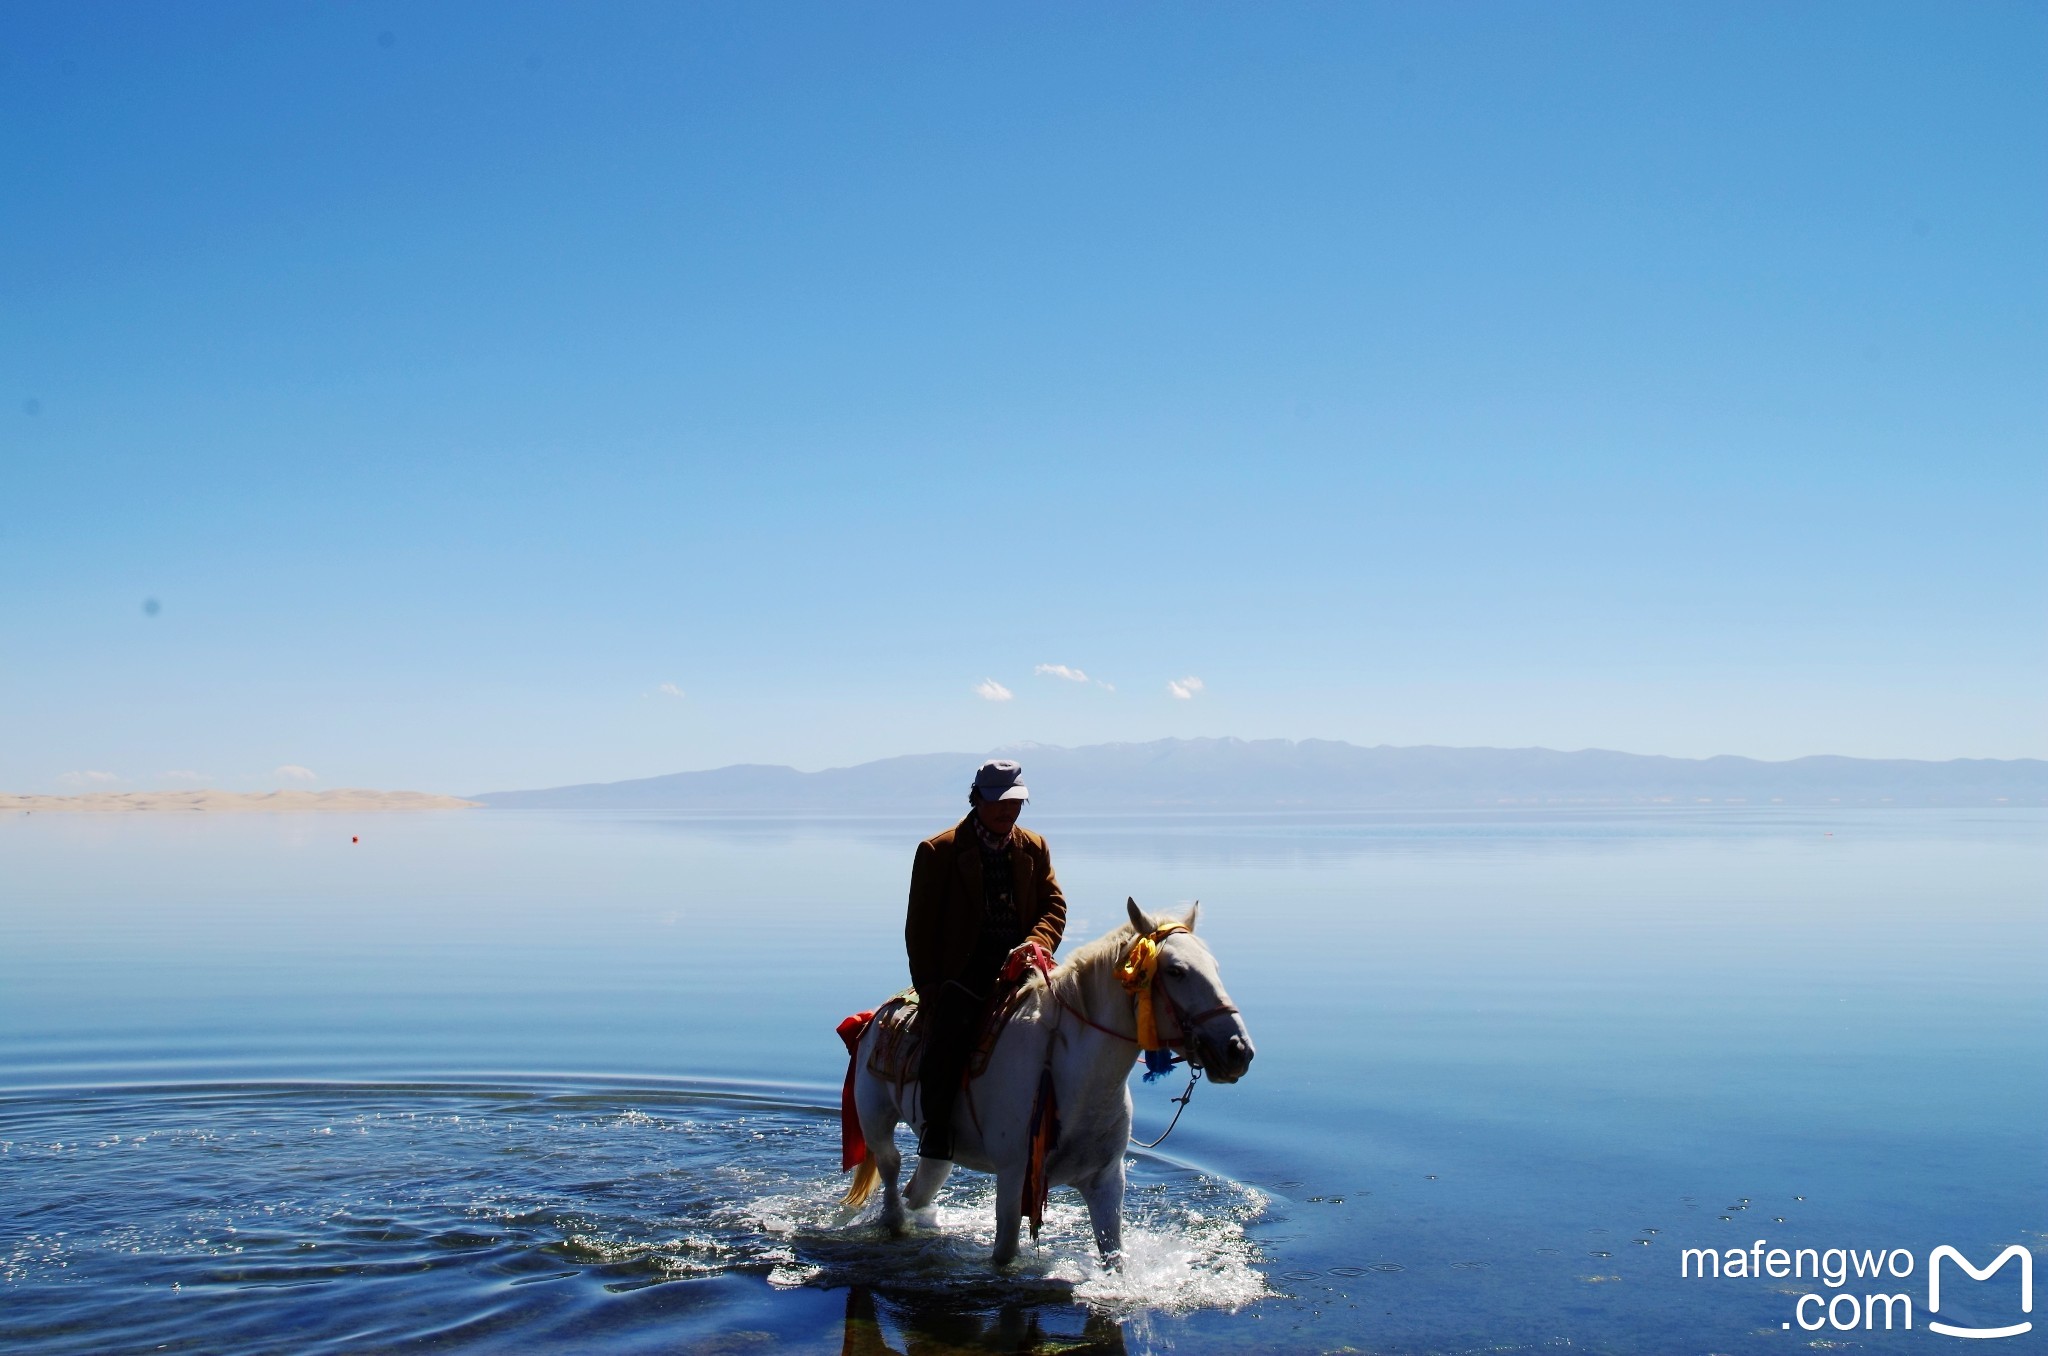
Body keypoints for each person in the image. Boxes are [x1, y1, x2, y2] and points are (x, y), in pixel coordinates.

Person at [904, 758, 1067, 1162]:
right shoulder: (938, 851)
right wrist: (930, 990)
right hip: (964, 973)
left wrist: (1036, 943)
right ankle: (937, 1129)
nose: (1006, 810)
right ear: (977, 799)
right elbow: (919, 929)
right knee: (949, 1035)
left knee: (1075, 1018)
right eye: (997, 802)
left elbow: (1053, 905)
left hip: (1026, 965)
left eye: (1014, 802)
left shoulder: (1034, 846)